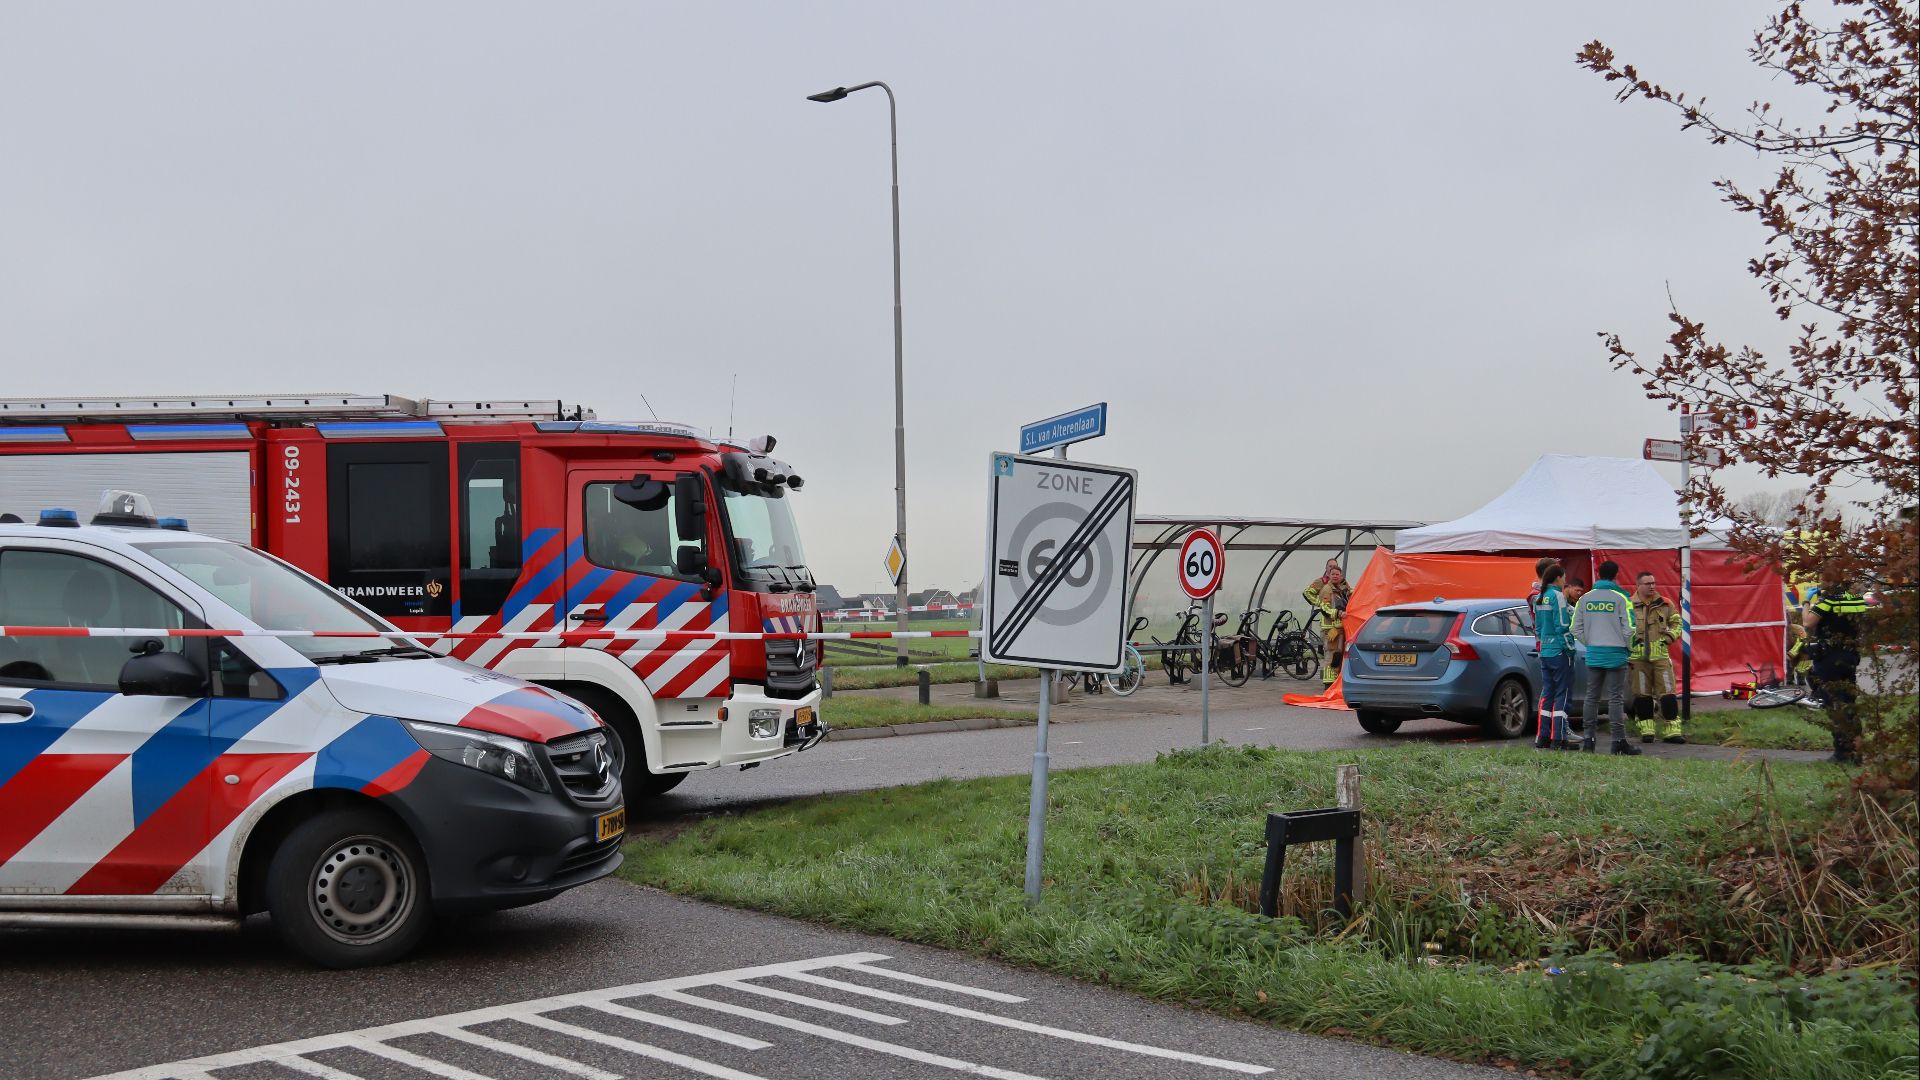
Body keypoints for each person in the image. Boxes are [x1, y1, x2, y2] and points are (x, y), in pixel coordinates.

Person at [1571, 560, 1639, 755]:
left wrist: (1590, 642)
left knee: (1591, 697)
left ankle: (1589, 740)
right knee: (1615, 699)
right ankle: (1618, 742)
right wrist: (1628, 649)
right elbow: (1630, 629)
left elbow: (1575, 627)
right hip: (1616, 653)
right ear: (1616, 575)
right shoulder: (1621, 598)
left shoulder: (1585, 598)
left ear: (1599, 574)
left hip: (1594, 653)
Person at [1805, 566, 1868, 765]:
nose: (1819, 582)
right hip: (1850, 655)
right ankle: (1858, 752)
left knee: (1834, 704)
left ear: (1831, 580)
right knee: (1849, 703)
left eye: (1822, 579)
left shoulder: (1829, 599)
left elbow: (1808, 623)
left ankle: (1841, 753)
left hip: (1830, 657)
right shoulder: (1856, 598)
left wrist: (1807, 602)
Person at [1628, 570, 1684, 744]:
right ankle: (1647, 731)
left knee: (1668, 693)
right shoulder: (1628, 605)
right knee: (1642, 694)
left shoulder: (1665, 604)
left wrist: (1668, 638)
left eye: (1653, 583)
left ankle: (1672, 731)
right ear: (1638, 585)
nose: (1652, 586)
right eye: (1648, 583)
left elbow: (1677, 622)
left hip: (1660, 657)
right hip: (1637, 659)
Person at [1532, 564, 1575, 750]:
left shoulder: (1539, 597)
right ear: (1558, 578)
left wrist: (1542, 648)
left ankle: (1542, 737)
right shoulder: (1557, 596)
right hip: (1559, 651)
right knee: (1562, 695)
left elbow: (1538, 628)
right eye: (1564, 578)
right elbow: (1562, 626)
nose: (1565, 581)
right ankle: (1558, 738)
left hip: (1545, 652)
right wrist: (1570, 648)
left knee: (1547, 694)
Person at [1303, 561, 1353, 686]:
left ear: (1341, 575)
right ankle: (1328, 685)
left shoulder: (1343, 586)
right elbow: (1322, 606)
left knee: (1340, 655)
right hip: (1330, 628)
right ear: (1327, 571)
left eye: (1337, 573)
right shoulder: (1325, 587)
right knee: (1332, 655)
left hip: (1341, 627)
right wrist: (1321, 604)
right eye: (1332, 572)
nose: (1335, 575)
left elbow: (1351, 595)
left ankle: (1337, 684)